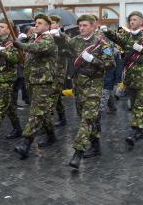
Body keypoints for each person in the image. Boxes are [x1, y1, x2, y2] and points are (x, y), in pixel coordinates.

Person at [55, 14, 115, 169]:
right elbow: (64, 52)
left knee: (87, 119)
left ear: (94, 26)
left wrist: (92, 60)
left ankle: (78, 153)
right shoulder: (75, 41)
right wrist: (59, 38)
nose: (81, 28)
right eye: (80, 26)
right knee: (88, 118)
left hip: (94, 85)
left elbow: (110, 65)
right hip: (79, 85)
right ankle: (96, 147)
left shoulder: (102, 44)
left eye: (85, 26)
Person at [105, 11, 143, 147]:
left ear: (141, 22)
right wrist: (106, 31)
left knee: (139, 105)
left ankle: (134, 131)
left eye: (135, 19)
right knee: (134, 103)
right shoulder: (127, 36)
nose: (132, 22)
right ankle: (141, 130)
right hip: (130, 78)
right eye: (130, 20)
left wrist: (142, 49)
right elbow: (117, 39)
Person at [13, 14, 58, 159]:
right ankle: (51, 136)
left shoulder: (48, 39)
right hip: (32, 80)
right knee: (42, 111)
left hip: (43, 81)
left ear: (47, 26)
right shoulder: (34, 37)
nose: (36, 25)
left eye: (40, 23)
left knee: (37, 112)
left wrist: (21, 44)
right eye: (36, 23)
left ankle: (26, 142)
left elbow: (36, 48)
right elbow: (28, 53)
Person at [49, 15, 68, 127]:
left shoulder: (62, 36)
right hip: (49, 70)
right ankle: (63, 118)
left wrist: (59, 35)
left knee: (53, 95)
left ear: (58, 25)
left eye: (52, 23)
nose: (51, 25)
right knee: (57, 97)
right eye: (49, 23)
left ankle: (44, 122)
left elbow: (68, 45)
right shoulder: (47, 36)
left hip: (59, 70)